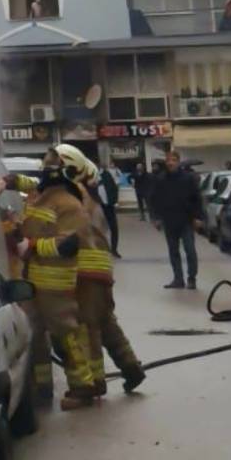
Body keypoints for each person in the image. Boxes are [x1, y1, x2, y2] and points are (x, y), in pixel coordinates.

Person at [0, 145, 99, 411]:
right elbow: (29, 182)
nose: (45, 164)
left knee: (66, 334)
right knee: (34, 335)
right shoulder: (43, 194)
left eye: (52, 161)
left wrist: (30, 246)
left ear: (67, 168)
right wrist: (5, 182)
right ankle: (42, 388)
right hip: (32, 280)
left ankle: (82, 387)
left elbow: (68, 245)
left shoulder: (71, 204)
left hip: (56, 282)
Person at [73, 157, 146, 394]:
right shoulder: (90, 198)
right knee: (106, 323)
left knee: (88, 327)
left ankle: (95, 382)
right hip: (100, 271)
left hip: (86, 273)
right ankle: (131, 368)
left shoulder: (77, 199)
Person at [149, 151, 205, 289]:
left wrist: (198, 217)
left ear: (178, 162)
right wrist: (156, 218)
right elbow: (155, 200)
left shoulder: (188, 178)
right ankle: (178, 279)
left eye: (173, 160)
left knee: (190, 250)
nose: (170, 163)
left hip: (186, 220)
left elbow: (197, 199)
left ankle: (192, 278)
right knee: (173, 251)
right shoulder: (161, 180)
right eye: (168, 160)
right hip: (169, 221)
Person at [98, 163, 122, 257]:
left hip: (108, 205)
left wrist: (114, 201)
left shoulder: (106, 174)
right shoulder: (89, 175)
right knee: (99, 229)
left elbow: (113, 188)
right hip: (98, 207)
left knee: (114, 228)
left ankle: (114, 249)